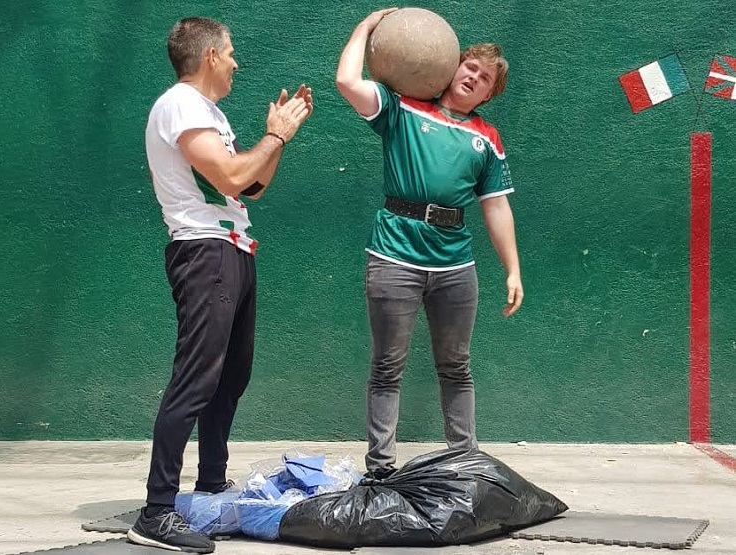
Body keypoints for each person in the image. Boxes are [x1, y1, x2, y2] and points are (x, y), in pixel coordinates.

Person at [128, 17, 312, 553]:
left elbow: (251, 185)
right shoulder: (181, 104)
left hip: (234, 247)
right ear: (208, 56)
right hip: (202, 249)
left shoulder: (210, 113)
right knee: (195, 380)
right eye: (230, 53)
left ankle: (210, 483)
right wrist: (275, 134)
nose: (236, 63)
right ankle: (156, 510)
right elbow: (231, 176)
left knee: (229, 377)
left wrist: (280, 137)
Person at [336, 9, 523, 480]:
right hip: (393, 257)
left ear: (487, 94)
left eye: (483, 80)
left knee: (457, 367)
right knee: (387, 367)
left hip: (456, 266)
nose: (473, 78)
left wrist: (513, 269)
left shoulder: (487, 138)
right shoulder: (400, 108)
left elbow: (496, 207)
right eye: (470, 68)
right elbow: (346, 81)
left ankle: (466, 462)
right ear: (454, 67)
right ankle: (380, 470)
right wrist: (366, 27)